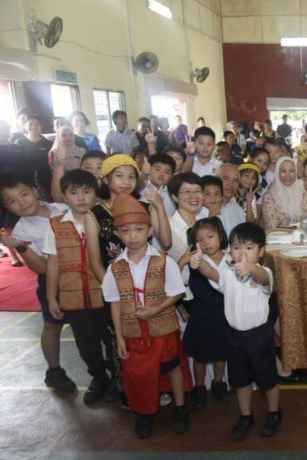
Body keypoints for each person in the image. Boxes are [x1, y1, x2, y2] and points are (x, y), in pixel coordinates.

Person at [102, 192, 192, 439]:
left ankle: (181, 407)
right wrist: (119, 337)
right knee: (137, 374)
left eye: (139, 230)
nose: (133, 236)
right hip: (132, 333)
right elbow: (114, 302)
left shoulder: (164, 262)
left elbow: (176, 293)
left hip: (163, 330)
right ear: (118, 234)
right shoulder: (115, 267)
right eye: (126, 231)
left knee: (172, 368)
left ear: (150, 231)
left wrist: (155, 310)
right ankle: (143, 414)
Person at [190, 222, 282, 440]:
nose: (242, 253)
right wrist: (198, 262)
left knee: (267, 379)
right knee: (240, 380)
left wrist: (251, 268)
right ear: (229, 249)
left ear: (261, 252)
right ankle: (245, 415)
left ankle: (274, 412)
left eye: (249, 248)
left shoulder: (263, 272)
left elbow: (264, 278)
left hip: (259, 336)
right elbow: (212, 273)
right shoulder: (228, 273)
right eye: (236, 247)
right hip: (235, 337)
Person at [43, 170, 116, 403]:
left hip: (105, 296)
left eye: (87, 191)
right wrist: (52, 298)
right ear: (64, 196)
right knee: (85, 346)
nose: (81, 198)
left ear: (96, 193)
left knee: (112, 341)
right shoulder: (55, 225)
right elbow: (52, 263)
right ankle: (98, 377)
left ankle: (116, 379)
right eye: (74, 193)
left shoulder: (107, 220)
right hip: (73, 298)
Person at [0, 172, 74, 391]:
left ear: (35, 191)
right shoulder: (23, 230)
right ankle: (54, 370)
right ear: (7, 207)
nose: (21, 203)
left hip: (79, 277)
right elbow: (41, 268)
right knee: (52, 327)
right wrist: (19, 246)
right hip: (52, 282)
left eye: (24, 194)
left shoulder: (62, 208)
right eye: (12, 201)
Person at [183, 217, 231, 408]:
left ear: (221, 236)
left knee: (222, 352)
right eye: (200, 240)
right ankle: (200, 387)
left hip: (224, 314)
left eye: (210, 236)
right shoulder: (194, 263)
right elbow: (181, 284)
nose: (206, 242)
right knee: (200, 356)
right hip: (201, 316)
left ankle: (218, 383)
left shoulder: (230, 259)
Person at [166, 172, 208, 262]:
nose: (193, 196)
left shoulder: (206, 222)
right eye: (187, 191)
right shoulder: (168, 228)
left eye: (197, 191)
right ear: (175, 197)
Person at [262, 156, 307, 229]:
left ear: (296, 172)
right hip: (278, 238)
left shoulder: (304, 194)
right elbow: (271, 226)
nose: (288, 175)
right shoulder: (269, 196)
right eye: (283, 171)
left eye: (291, 171)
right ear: (277, 173)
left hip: (302, 236)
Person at [15, 114, 54, 201]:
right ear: (25, 126)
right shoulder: (19, 143)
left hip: (47, 180)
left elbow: (52, 162)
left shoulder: (48, 143)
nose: (34, 127)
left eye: (37, 124)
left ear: (41, 126)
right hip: (27, 180)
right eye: (30, 124)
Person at [141, 153, 177, 217]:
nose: (161, 174)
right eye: (157, 169)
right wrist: (143, 174)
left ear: (172, 175)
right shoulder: (141, 187)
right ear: (149, 168)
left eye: (167, 172)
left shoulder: (173, 192)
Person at [215, 163, 247, 235]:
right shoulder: (203, 208)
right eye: (226, 179)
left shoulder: (239, 212)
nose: (231, 184)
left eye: (235, 181)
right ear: (215, 179)